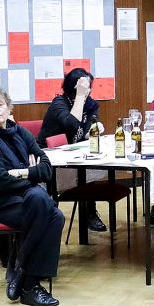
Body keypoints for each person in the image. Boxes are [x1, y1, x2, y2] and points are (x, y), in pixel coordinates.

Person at [0, 84, 64, 306]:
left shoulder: (21, 132)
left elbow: (48, 169)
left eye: (0, 104)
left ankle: (24, 276)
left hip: (23, 199)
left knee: (50, 210)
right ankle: (29, 282)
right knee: (49, 210)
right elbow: (1, 180)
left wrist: (22, 172)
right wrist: (33, 174)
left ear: (9, 107)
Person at [41, 67, 106, 232]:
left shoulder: (89, 102)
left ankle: (90, 214)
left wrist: (96, 126)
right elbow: (71, 124)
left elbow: (90, 124)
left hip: (75, 154)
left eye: (89, 87)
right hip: (51, 160)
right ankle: (50, 216)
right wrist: (79, 96)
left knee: (91, 169)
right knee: (85, 171)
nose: (89, 91)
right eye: (85, 87)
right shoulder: (59, 103)